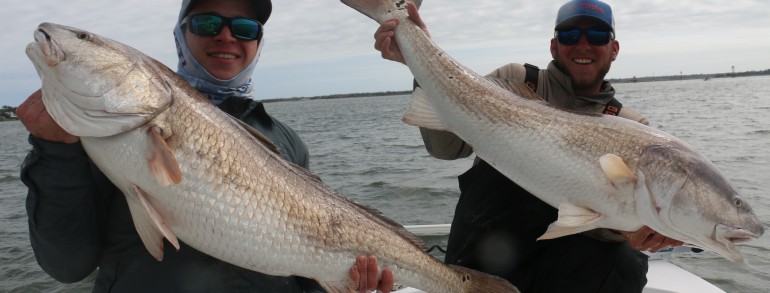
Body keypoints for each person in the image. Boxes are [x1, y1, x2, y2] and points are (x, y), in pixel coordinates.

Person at [17, 0, 392, 292]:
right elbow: (66, 266)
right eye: (207, 23)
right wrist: (55, 152)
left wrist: (346, 284)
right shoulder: (86, 134)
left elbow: (305, 264)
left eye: (245, 28)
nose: (226, 37)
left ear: (257, 44)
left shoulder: (285, 141)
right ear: (181, 34)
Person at [373, 0, 683, 292]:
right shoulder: (516, 83)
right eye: (570, 34)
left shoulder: (632, 128)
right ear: (553, 45)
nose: (583, 44)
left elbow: (627, 222)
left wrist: (636, 230)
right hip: (483, 252)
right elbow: (446, 148)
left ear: (614, 49)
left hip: (564, 270)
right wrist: (417, 61)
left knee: (627, 264)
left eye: (598, 35)